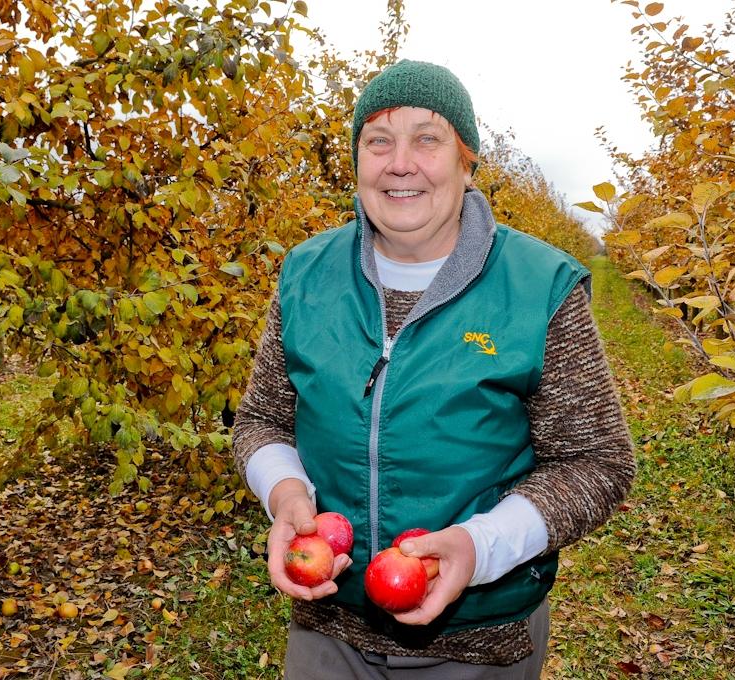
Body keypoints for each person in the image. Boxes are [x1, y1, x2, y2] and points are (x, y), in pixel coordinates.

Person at [232, 60, 634, 679]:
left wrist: (480, 546)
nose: (401, 162)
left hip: (480, 641)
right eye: (378, 141)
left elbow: (598, 462)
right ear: (357, 159)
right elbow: (261, 421)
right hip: (327, 631)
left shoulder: (538, 287)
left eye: (427, 138)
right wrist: (285, 492)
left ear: (466, 160)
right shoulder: (306, 275)